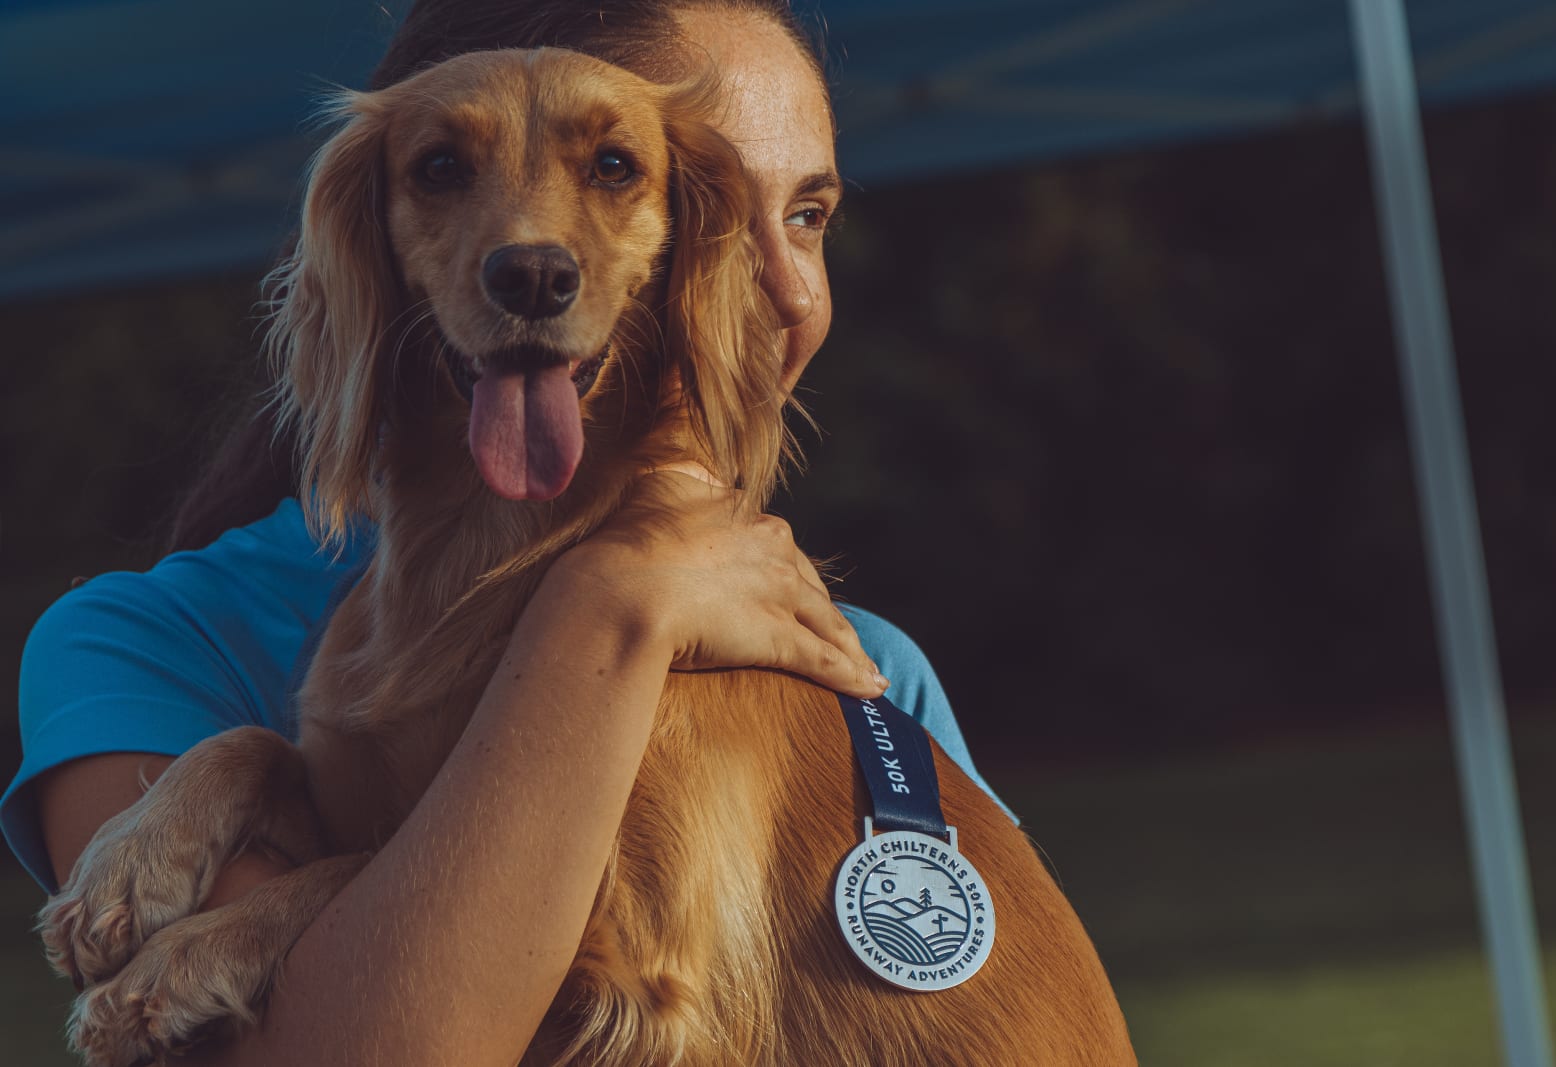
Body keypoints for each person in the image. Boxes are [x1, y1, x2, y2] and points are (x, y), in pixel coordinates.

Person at [2, 1, 1010, 1062]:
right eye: (447, 171)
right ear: (367, 237)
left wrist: (613, 599)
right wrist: (614, 606)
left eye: (807, 215)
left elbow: (640, 989)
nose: (780, 284)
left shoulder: (853, 664)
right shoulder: (145, 641)